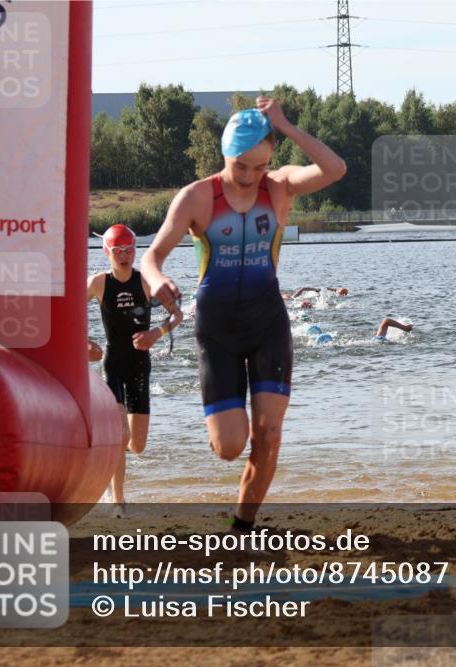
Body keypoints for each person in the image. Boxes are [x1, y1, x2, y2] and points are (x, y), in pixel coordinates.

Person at [140, 97, 346, 534]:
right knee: (230, 447)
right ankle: (234, 472)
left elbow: (334, 169)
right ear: (225, 155)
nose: (251, 177)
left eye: (259, 166)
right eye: (241, 166)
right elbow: (151, 257)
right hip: (217, 332)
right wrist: (157, 280)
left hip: (268, 322)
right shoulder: (196, 197)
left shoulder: (280, 186)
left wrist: (286, 126)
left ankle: (243, 525)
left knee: (268, 432)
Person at [88, 224, 183, 517]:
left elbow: (177, 313)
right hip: (113, 365)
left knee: (136, 445)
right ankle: (118, 501)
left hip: (140, 367)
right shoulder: (98, 283)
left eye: (129, 250)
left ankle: (111, 459)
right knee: (119, 431)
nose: (125, 256)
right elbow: (67, 314)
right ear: (108, 253)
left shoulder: (145, 283)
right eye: (118, 251)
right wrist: (84, 343)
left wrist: (156, 333)